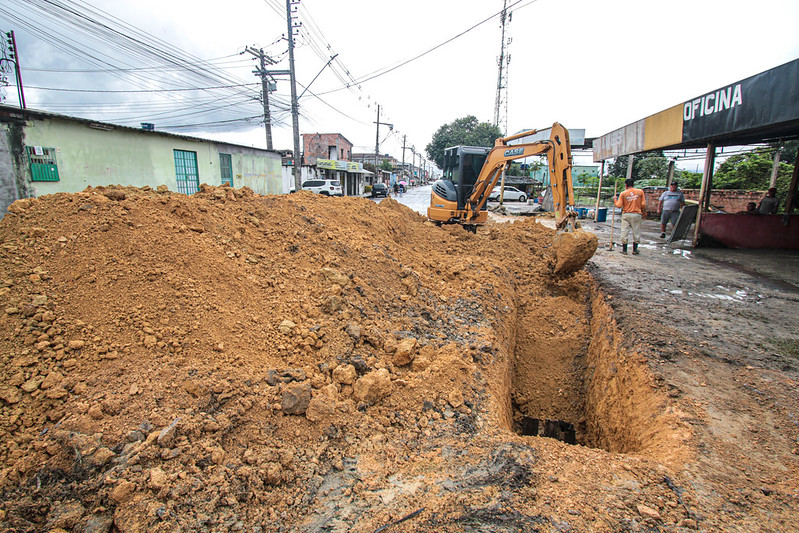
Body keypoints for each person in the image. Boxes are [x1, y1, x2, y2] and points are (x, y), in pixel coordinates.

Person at [614, 178, 647, 255]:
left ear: (626, 185)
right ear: (633, 184)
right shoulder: (640, 192)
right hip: (636, 214)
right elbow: (643, 204)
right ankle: (635, 249)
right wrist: (644, 212)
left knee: (624, 231)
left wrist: (615, 200)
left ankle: (624, 250)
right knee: (636, 231)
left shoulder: (623, 193)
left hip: (626, 214)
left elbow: (619, 205)